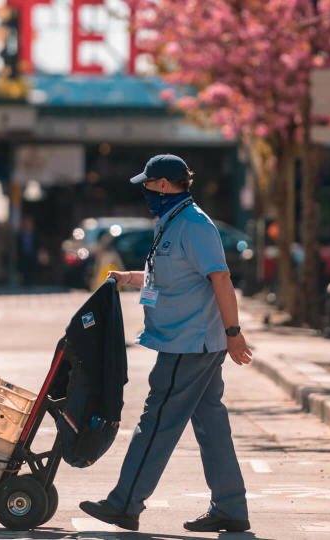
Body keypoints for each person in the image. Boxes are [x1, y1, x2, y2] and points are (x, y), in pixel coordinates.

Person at [79, 154, 253, 533]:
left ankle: (125, 503)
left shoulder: (194, 224)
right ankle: (230, 508)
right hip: (187, 340)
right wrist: (129, 277)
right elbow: (171, 278)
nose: (144, 190)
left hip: (188, 343)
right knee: (210, 423)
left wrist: (234, 334)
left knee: (156, 421)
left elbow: (220, 280)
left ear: (161, 185)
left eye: (147, 183)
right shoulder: (173, 221)